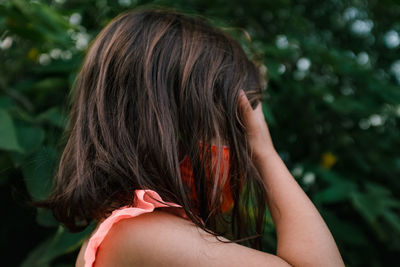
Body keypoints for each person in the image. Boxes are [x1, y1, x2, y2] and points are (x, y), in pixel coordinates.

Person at [34, 7, 345, 267]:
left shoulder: (133, 234)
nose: (238, 151)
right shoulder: (141, 234)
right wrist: (266, 152)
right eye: (230, 130)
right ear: (166, 128)